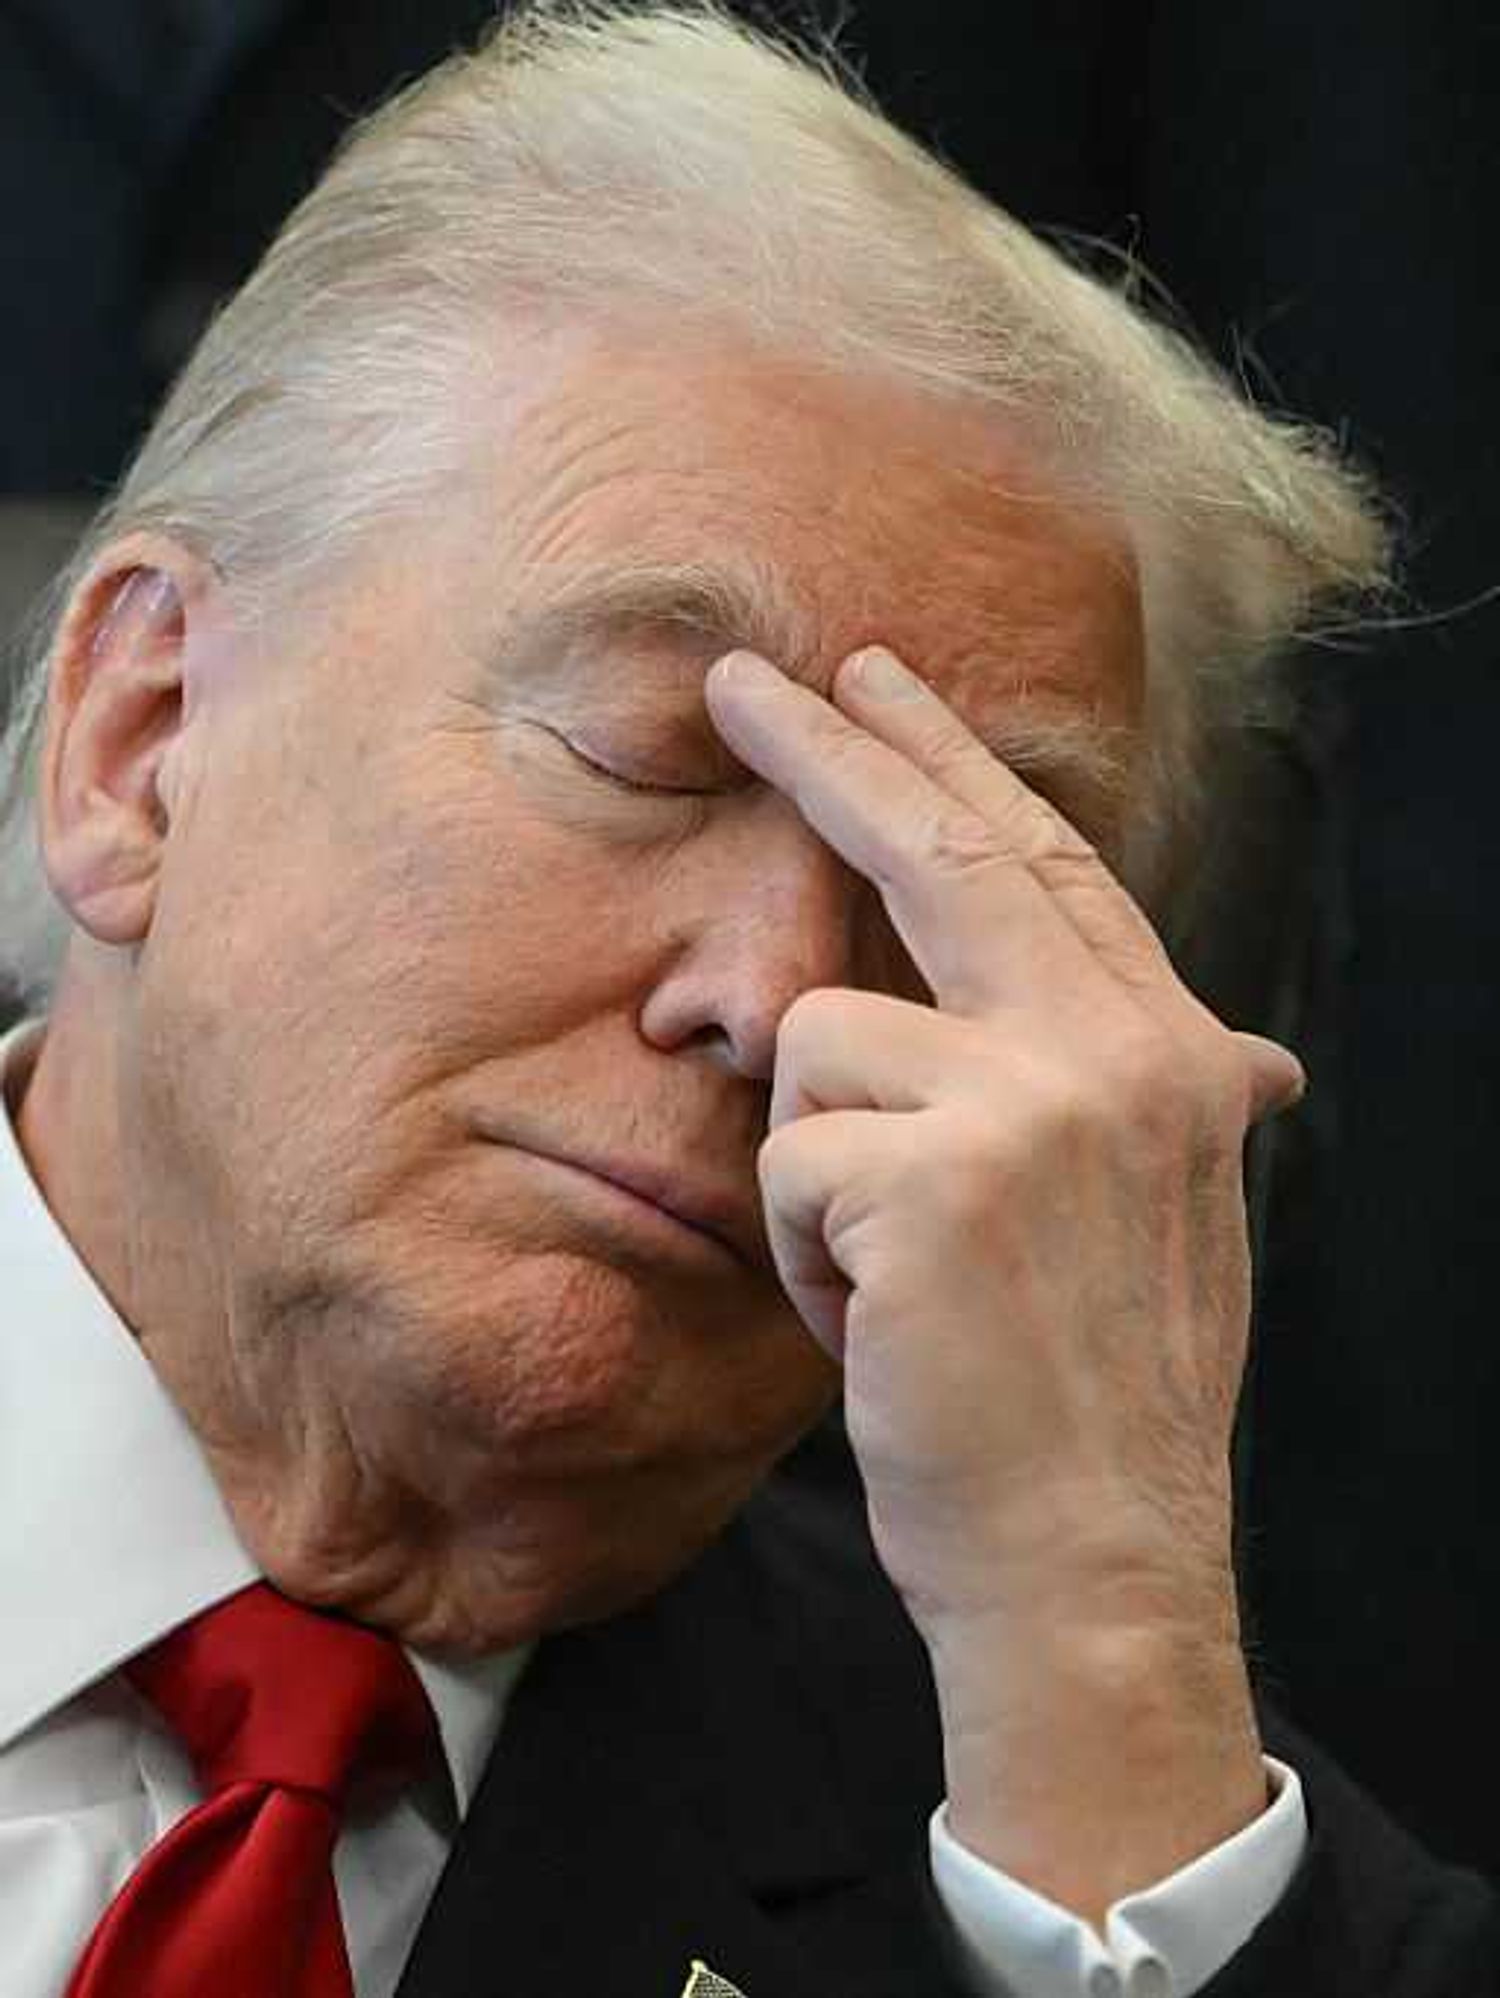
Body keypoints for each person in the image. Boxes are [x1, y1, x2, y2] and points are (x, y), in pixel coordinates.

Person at [0, 4, 1492, 1994]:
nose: (781, 994)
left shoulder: (1131, 1848)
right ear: (141, 735)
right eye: (644, 757)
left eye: (941, 892)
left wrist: (1105, 1657)